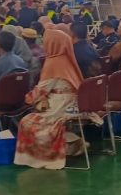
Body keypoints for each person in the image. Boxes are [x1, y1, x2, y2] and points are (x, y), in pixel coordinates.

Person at [14, 29, 84, 170]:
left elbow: (41, 90)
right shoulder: (67, 59)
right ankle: (73, 143)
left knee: (26, 121)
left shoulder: (53, 62)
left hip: (60, 106)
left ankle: (43, 157)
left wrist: (28, 98)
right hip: (74, 104)